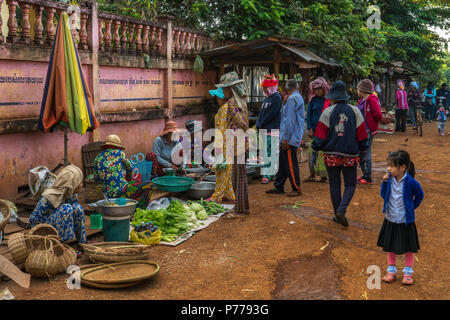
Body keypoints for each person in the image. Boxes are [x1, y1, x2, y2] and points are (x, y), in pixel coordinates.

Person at [312, 80, 368, 227]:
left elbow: (319, 135)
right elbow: (362, 135)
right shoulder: (355, 111)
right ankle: (341, 211)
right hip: (350, 154)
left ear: (333, 97)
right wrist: (363, 151)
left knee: (334, 184)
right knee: (350, 185)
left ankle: (337, 212)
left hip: (331, 154)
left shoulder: (327, 112)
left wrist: (314, 150)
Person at [377, 150, 424, 285]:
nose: (388, 168)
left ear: (402, 167)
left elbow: (420, 195)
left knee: (409, 247)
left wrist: (411, 207)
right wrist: (385, 182)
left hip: (405, 220)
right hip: (391, 218)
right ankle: (391, 271)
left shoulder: (410, 182)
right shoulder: (389, 179)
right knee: (390, 246)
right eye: (388, 165)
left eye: (391, 166)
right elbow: (383, 195)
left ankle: (408, 273)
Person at [266, 79, 305, 197]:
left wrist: (286, 138)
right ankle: (279, 185)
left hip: (289, 137)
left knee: (290, 163)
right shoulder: (297, 97)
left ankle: (296, 187)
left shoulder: (292, 99)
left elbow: (290, 120)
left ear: (287, 89)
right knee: (283, 163)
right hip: (291, 136)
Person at [30, 164, 86, 243]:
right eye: (79, 182)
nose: (81, 185)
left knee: (77, 208)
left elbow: (75, 215)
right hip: (45, 231)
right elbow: (34, 219)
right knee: (66, 208)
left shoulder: (71, 194)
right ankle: (63, 245)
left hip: (58, 227)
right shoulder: (49, 196)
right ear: (71, 184)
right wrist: (39, 238)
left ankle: (81, 243)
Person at [94, 134, 151, 209]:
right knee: (149, 185)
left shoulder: (97, 158)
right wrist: (128, 178)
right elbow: (129, 168)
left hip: (108, 196)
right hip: (122, 191)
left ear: (105, 146)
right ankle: (138, 209)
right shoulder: (120, 154)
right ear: (117, 147)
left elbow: (96, 179)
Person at [255, 75, 282, 184]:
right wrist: (258, 122)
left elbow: (272, 114)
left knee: (271, 153)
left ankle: (268, 174)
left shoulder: (277, 98)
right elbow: (261, 113)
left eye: (266, 87)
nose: (264, 89)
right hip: (264, 130)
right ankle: (270, 173)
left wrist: (261, 123)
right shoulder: (267, 98)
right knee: (265, 152)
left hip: (272, 130)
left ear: (271, 87)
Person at [356, 79, 382, 185]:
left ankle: (368, 177)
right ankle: (364, 174)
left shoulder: (371, 99)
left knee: (366, 152)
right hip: (361, 129)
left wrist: (372, 125)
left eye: (358, 89)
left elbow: (378, 115)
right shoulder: (362, 100)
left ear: (363, 90)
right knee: (361, 152)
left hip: (367, 130)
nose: (356, 90)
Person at [304, 77, 330, 183]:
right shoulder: (312, 100)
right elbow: (309, 115)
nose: (317, 91)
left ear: (324, 88)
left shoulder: (329, 100)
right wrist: (310, 128)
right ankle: (312, 174)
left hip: (325, 131)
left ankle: (324, 175)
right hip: (314, 131)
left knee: (322, 153)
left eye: (319, 89)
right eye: (315, 89)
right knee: (312, 152)